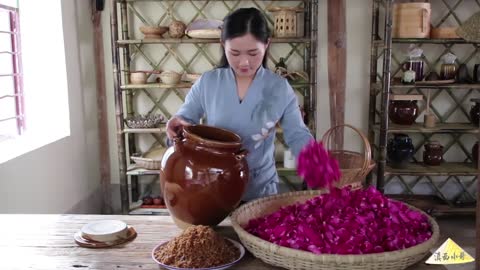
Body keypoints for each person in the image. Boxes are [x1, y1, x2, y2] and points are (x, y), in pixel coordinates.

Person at [166, 7, 313, 201]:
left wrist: (319, 168)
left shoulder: (279, 88)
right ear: (222, 44)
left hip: (260, 192)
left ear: (267, 44)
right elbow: (184, 123)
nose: (244, 62)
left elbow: (297, 135)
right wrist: (176, 128)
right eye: (234, 53)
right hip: (213, 189)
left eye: (253, 53)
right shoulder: (208, 83)